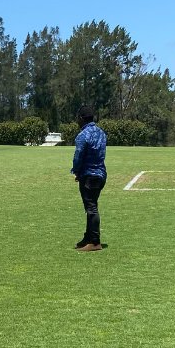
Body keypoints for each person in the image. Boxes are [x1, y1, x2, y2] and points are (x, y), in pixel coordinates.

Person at [71, 105, 107, 252]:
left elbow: (78, 157)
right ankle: (88, 237)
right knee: (91, 206)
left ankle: (95, 241)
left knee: (91, 208)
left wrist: (76, 172)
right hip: (101, 175)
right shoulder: (101, 133)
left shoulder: (82, 135)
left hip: (89, 176)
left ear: (81, 119)